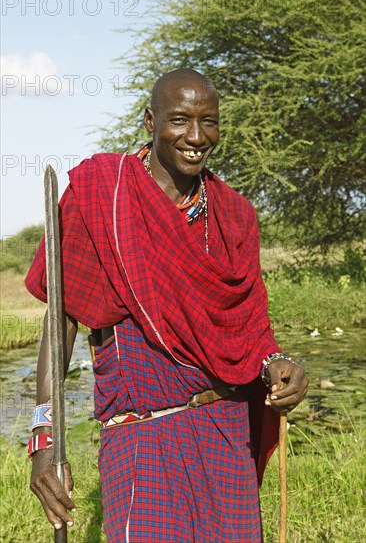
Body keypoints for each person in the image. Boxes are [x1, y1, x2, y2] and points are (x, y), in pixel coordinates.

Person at [25, 68, 308, 542]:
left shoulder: (233, 215)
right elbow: (62, 324)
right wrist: (43, 440)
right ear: (149, 120)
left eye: (209, 121)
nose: (197, 136)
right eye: (180, 120)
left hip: (223, 426)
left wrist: (278, 365)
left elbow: (251, 329)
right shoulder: (103, 196)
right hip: (139, 434)